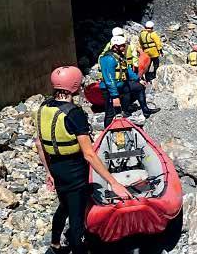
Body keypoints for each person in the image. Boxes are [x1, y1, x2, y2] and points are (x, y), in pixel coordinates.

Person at [36, 66, 133, 254]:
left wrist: (49, 173)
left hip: (56, 168)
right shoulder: (74, 113)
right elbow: (89, 154)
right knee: (77, 217)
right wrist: (113, 183)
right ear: (75, 86)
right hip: (75, 171)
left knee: (63, 205)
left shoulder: (43, 108)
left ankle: (55, 245)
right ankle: (78, 248)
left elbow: (40, 145)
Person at [100, 35, 160, 127]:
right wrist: (115, 96)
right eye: (122, 45)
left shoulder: (119, 56)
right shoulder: (108, 59)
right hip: (110, 89)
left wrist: (138, 79)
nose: (124, 47)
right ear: (115, 46)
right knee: (110, 113)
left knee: (139, 87)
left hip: (121, 85)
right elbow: (109, 80)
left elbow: (127, 70)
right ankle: (107, 132)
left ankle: (144, 110)